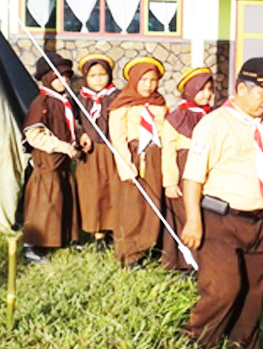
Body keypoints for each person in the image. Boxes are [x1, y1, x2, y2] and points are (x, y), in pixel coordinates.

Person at [180, 57, 263, 349]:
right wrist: (193, 219)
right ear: (241, 88)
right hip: (220, 219)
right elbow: (193, 177)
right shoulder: (214, 124)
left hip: (258, 222)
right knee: (223, 289)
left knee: (252, 293)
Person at [21, 52, 81, 264]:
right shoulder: (42, 102)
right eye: (57, 77)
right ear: (47, 79)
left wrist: (79, 138)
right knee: (44, 203)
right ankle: (32, 245)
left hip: (61, 164)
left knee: (62, 198)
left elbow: (71, 126)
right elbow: (34, 134)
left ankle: (61, 237)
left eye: (66, 77)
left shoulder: (65, 102)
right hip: (47, 162)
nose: (63, 81)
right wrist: (60, 146)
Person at [108, 57, 167, 268]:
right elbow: (117, 138)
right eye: (143, 80)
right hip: (134, 158)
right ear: (134, 80)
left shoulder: (160, 104)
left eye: (153, 80)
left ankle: (149, 245)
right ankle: (129, 253)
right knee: (132, 207)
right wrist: (126, 167)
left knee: (153, 203)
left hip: (154, 158)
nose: (148, 85)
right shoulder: (122, 105)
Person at [160, 67, 214, 271]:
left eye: (210, 89)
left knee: (206, 215)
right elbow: (168, 152)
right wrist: (170, 183)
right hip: (184, 172)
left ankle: (204, 261)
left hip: (208, 174)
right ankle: (185, 264)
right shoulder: (176, 118)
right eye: (200, 89)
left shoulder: (213, 117)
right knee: (184, 216)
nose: (206, 94)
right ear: (190, 91)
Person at [76, 54, 121, 251]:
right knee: (93, 192)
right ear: (86, 77)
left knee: (112, 190)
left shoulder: (117, 97)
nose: (98, 79)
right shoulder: (79, 98)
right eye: (93, 75)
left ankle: (113, 229)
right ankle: (97, 234)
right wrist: (81, 134)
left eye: (102, 74)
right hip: (92, 153)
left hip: (112, 151)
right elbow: (74, 123)